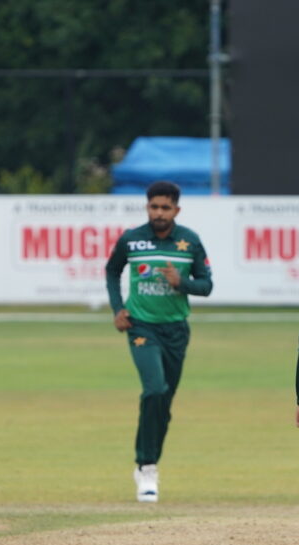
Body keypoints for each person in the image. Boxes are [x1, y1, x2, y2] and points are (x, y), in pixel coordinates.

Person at [104, 181, 213, 502]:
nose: (159, 213)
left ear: (176, 210)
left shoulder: (189, 242)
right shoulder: (132, 239)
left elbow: (206, 286)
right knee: (153, 389)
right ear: (147, 207)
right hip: (141, 327)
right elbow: (112, 272)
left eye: (165, 208)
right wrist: (117, 309)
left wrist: (182, 283)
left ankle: (148, 463)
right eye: (154, 207)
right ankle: (146, 466)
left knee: (163, 404)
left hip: (176, 330)